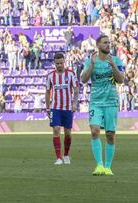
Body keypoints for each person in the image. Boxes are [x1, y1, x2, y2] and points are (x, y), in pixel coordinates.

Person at [81, 35, 125, 176]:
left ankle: (107, 167)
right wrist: (92, 65)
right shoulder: (90, 61)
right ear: (98, 45)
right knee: (94, 131)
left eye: (109, 43)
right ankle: (99, 165)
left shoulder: (116, 60)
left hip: (111, 102)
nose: (108, 45)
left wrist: (113, 66)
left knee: (110, 135)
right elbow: (83, 79)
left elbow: (121, 80)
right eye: (105, 43)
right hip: (96, 102)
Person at [45, 53, 79, 165]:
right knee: (56, 130)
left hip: (68, 108)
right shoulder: (50, 76)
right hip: (55, 108)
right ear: (54, 63)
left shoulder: (71, 74)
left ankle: (66, 155)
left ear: (64, 62)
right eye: (57, 63)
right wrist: (47, 107)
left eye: (61, 63)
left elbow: (76, 89)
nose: (59, 65)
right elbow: (47, 91)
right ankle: (59, 158)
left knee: (68, 133)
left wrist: (74, 103)